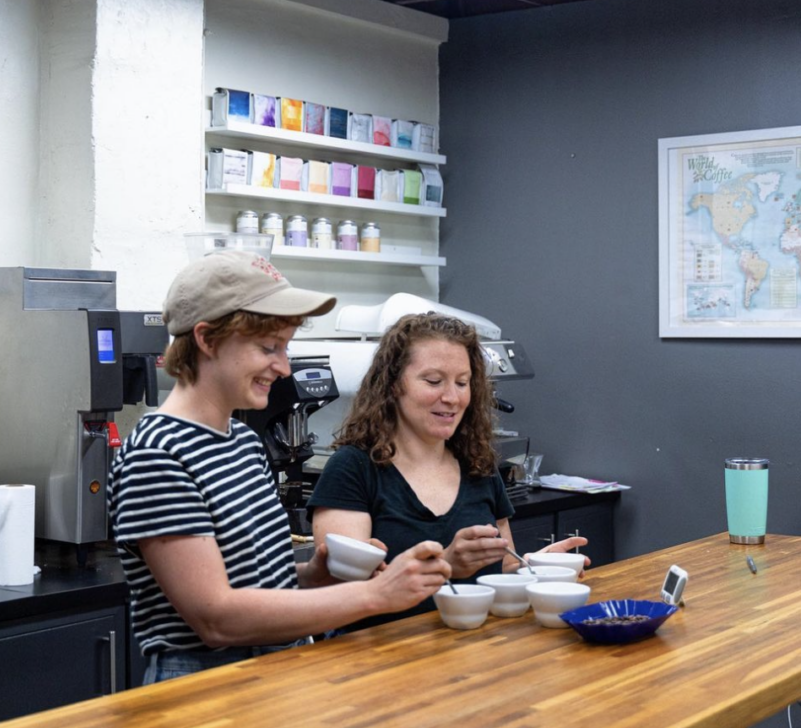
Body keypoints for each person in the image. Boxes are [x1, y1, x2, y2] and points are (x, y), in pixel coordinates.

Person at [108, 251, 451, 683]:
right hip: (206, 685)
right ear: (207, 340)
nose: (284, 367)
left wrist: (313, 576)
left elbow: (253, 584)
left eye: (285, 348)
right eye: (269, 347)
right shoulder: (158, 454)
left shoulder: (243, 442)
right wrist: (374, 596)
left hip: (273, 673)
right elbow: (217, 618)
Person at [307, 312, 588, 629]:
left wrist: (537, 568)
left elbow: (502, 567)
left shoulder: (478, 464)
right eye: (433, 381)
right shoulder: (353, 468)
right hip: (381, 663)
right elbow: (340, 592)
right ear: (392, 385)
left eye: (462, 383)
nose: (452, 397)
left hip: (471, 657)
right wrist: (446, 565)